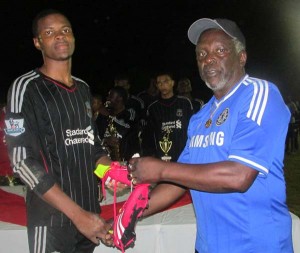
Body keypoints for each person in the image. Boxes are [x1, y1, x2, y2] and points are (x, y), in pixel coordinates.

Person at [128, 18, 293, 253]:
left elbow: (239, 176)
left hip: (255, 246)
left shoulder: (259, 94)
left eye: (220, 50)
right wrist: (129, 215)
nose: (208, 59)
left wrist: (161, 169)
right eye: (201, 54)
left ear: (241, 57)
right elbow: (179, 180)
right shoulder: (200, 116)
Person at [4, 9, 115, 253]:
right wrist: (77, 215)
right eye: (50, 32)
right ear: (37, 42)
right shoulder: (25, 88)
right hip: (52, 220)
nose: (60, 36)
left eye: (65, 30)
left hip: (89, 214)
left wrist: (112, 175)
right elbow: (22, 161)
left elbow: (92, 148)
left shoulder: (83, 89)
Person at [141, 71, 193, 162]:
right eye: (159, 83)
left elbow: (193, 127)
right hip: (162, 157)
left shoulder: (185, 103)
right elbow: (149, 134)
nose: (162, 85)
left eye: (165, 81)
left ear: (172, 83)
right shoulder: (153, 107)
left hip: (183, 155)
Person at [96, 86, 140, 161]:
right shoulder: (102, 115)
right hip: (105, 160)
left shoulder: (129, 115)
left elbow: (128, 131)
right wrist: (105, 140)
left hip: (125, 161)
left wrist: (109, 116)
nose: (107, 98)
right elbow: (97, 134)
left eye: (111, 96)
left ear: (120, 98)